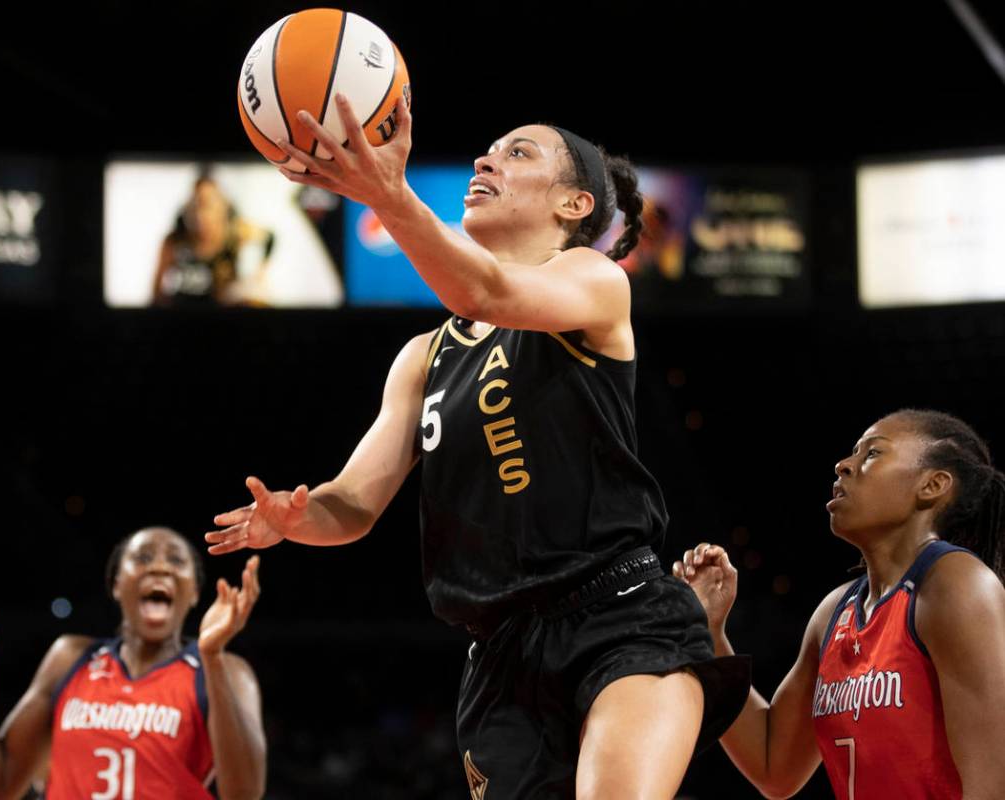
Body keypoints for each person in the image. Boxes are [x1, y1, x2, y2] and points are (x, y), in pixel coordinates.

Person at [205, 92, 749, 798]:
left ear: (575, 206)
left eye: (518, 152)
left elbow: (487, 292)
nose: (485, 158)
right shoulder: (422, 357)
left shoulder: (594, 281)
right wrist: (295, 518)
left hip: (622, 616)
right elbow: (353, 504)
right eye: (489, 148)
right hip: (502, 657)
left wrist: (389, 196)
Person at [673, 409, 1005, 799]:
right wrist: (710, 633)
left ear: (932, 485)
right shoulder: (835, 611)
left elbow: (992, 784)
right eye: (853, 453)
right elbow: (772, 764)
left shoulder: (957, 584)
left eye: (872, 454)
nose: (843, 465)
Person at [0, 527, 266, 800]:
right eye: (143, 557)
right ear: (117, 584)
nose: (160, 566)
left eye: (176, 561)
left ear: (192, 592)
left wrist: (212, 656)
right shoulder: (71, 658)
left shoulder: (225, 670)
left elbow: (246, 792)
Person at [152, 172, 274, 307]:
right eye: (196, 204)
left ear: (222, 207)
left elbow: (270, 237)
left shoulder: (235, 232)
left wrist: (260, 273)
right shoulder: (175, 240)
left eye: (208, 205)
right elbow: (156, 290)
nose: (201, 214)